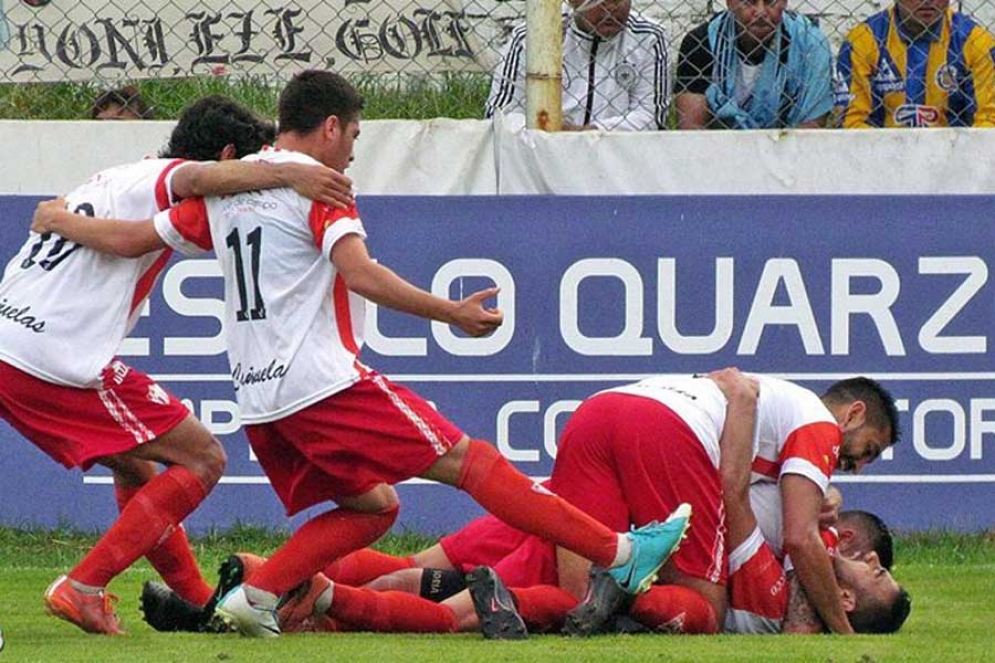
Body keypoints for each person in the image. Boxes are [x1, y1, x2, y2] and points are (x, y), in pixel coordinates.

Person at [30, 69, 693, 639]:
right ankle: (619, 550)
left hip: (259, 398)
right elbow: (361, 274)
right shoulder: (318, 186)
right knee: (469, 460)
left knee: (375, 507)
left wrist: (62, 220)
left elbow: (133, 236)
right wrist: (451, 311)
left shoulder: (224, 194)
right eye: (353, 133)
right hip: (322, 384)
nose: (352, 150)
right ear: (326, 128)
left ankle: (258, 597)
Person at [138, 371, 903, 638]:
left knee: (427, 569)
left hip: (603, 439)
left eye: (866, 565)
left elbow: (753, 501)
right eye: (864, 550)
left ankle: (232, 591)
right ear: (851, 420)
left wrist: (735, 400)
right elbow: (778, 519)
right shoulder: (805, 467)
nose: (853, 547)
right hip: (648, 475)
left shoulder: (782, 562)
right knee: (618, 601)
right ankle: (309, 593)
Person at [0, 95, 353, 635]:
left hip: (12, 339)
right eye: (250, 163)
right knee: (204, 456)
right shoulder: (172, 177)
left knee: (138, 467)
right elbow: (192, 181)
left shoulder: (119, 176)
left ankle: (197, 607)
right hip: (49, 354)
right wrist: (288, 174)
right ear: (228, 157)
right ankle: (83, 585)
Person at [485, 0, 670, 131]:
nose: (610, 10)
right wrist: (545, 128)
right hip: (542, 151)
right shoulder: (533, 36)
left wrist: (588, 133)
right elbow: (500, 114)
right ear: (572, 1)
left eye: (618, 0)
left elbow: (650, 117)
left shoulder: (647, 37)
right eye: (598, 1)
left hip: (616, 155)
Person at [673, 0, 833, 129]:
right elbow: (692, 131)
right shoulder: (702, 42)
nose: (761, 12)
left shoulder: (809, 44)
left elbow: (810, 132)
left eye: (770, 2)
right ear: (730, 3)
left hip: (789, 155)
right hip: (720, 154)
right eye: (750, 2)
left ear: (784, 3)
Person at [834, 0, 995, 127]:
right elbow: (851, 122)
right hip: (880, 158)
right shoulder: (862, 42)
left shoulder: (976, 42)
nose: (927, 1)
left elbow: (988, 122)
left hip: (954, 156)